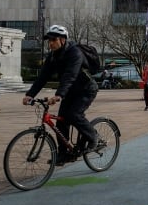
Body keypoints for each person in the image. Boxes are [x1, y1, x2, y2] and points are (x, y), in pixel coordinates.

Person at [22, 25, 100, 166]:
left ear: (63, 40)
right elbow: (43, 77)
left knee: (74, 115)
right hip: (70, 91)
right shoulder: (53, 56)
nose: (50, 43)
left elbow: (70, 76)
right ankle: (64, 154)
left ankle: (93, 136)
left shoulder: (75, 53)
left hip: (86, 89)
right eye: (49, 40)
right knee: (61, 121)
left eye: (53, 40)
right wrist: (30, 94)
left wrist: (59, 95)